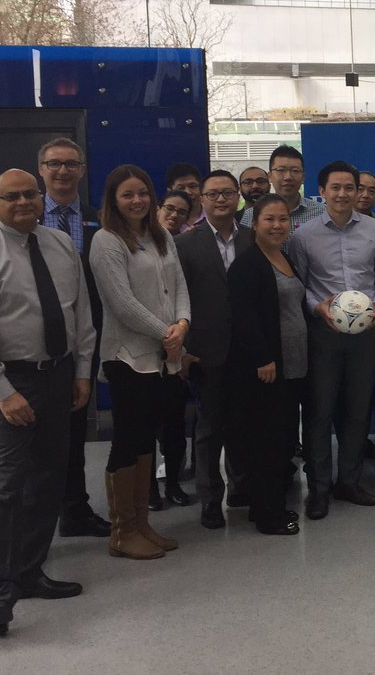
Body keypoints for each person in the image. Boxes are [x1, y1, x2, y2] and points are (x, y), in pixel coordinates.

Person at [0, 168, 96, 637]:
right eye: (10, 197)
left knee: (48, 478)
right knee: (7, 487)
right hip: (6, 381)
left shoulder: (59, 245)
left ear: (41, 198)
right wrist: (3, 392)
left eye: (29, 195)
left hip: (56, 375)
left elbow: (81, 317)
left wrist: (80, 373)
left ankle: (31, 572)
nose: (22, 203)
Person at [89, 164, 189, 559]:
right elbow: (122, 304)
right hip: (128, 357)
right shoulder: (106, 241)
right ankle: (122, 531)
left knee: (148, 437)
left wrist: (183, 323)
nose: (137, 201)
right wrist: (169, 333)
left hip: (163, 356)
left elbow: (179, 285)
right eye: (128, 194)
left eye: (143, 193)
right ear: (113, 200)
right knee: (128, 440)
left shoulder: (160, 235)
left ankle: (142, 524)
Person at [289, 160, 375, 520]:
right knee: (319, 411)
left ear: (359, 191)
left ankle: (348, 481)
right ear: (322, 191)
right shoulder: (303, 235)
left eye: (349, 187)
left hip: (365, 334)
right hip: (323, 335)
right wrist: (317, 308)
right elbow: (298, 286)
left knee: (357, 409)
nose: (342, 194)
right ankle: (318, 488)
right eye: (335, 187)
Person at [37, 137, 111, 539]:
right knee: (36, 438)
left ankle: (74, 510)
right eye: (54, 164)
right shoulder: (23, 219)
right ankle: (37, 519)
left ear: (83, 170)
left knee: (74, 429)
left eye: (71, 164)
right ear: (42, 170)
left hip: (85, 338)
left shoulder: (97, 218)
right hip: (36, 342)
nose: (63, 171)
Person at [175, 170, 253, 529]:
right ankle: (209, 498)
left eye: (227, 193)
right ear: (201, 200)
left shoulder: (254, 240)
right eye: (213, 194)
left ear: (237, 196)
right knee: (208, 428)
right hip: (205, 349)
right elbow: (178, 300)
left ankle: (241, 487)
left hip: (247, 348)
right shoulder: (185, 244)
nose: (221, 200)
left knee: (243, 422)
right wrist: (185, 348)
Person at [227, 194, 306, 535]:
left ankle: (265, 504)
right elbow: (244, 317)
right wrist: (263, 357)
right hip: (267, 367)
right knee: (267, 441)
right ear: (254, 224)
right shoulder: (247, 264)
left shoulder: (284, 257)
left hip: (294, 363)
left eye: (283, 219)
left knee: (283, 437)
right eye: (269, 219)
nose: (277, 226)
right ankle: (269, 515)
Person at [148, 190, 195, 511]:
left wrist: (182, 343)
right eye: (170, 209)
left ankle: (174, 484)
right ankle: (147, 489)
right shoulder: (135, 242)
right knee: (144, 425)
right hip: (143, 343)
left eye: (182, 212)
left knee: (175, 424)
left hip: (178, 345)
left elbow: (187, 298)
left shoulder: (184, 248)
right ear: (157, 208)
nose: (175, 215)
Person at [239, 145, 326, 238]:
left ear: (303, 178)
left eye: (295, 171)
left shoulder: (322, 212)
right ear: (270, 176)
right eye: (281, 170)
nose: (288, 177)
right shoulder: (251, 215)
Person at [166, 162, 204, 233]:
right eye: (181, 188)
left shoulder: (213, 216)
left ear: (201, 188)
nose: (188, 192)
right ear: (170, 191)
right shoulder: (163, 220)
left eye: (192, 186)